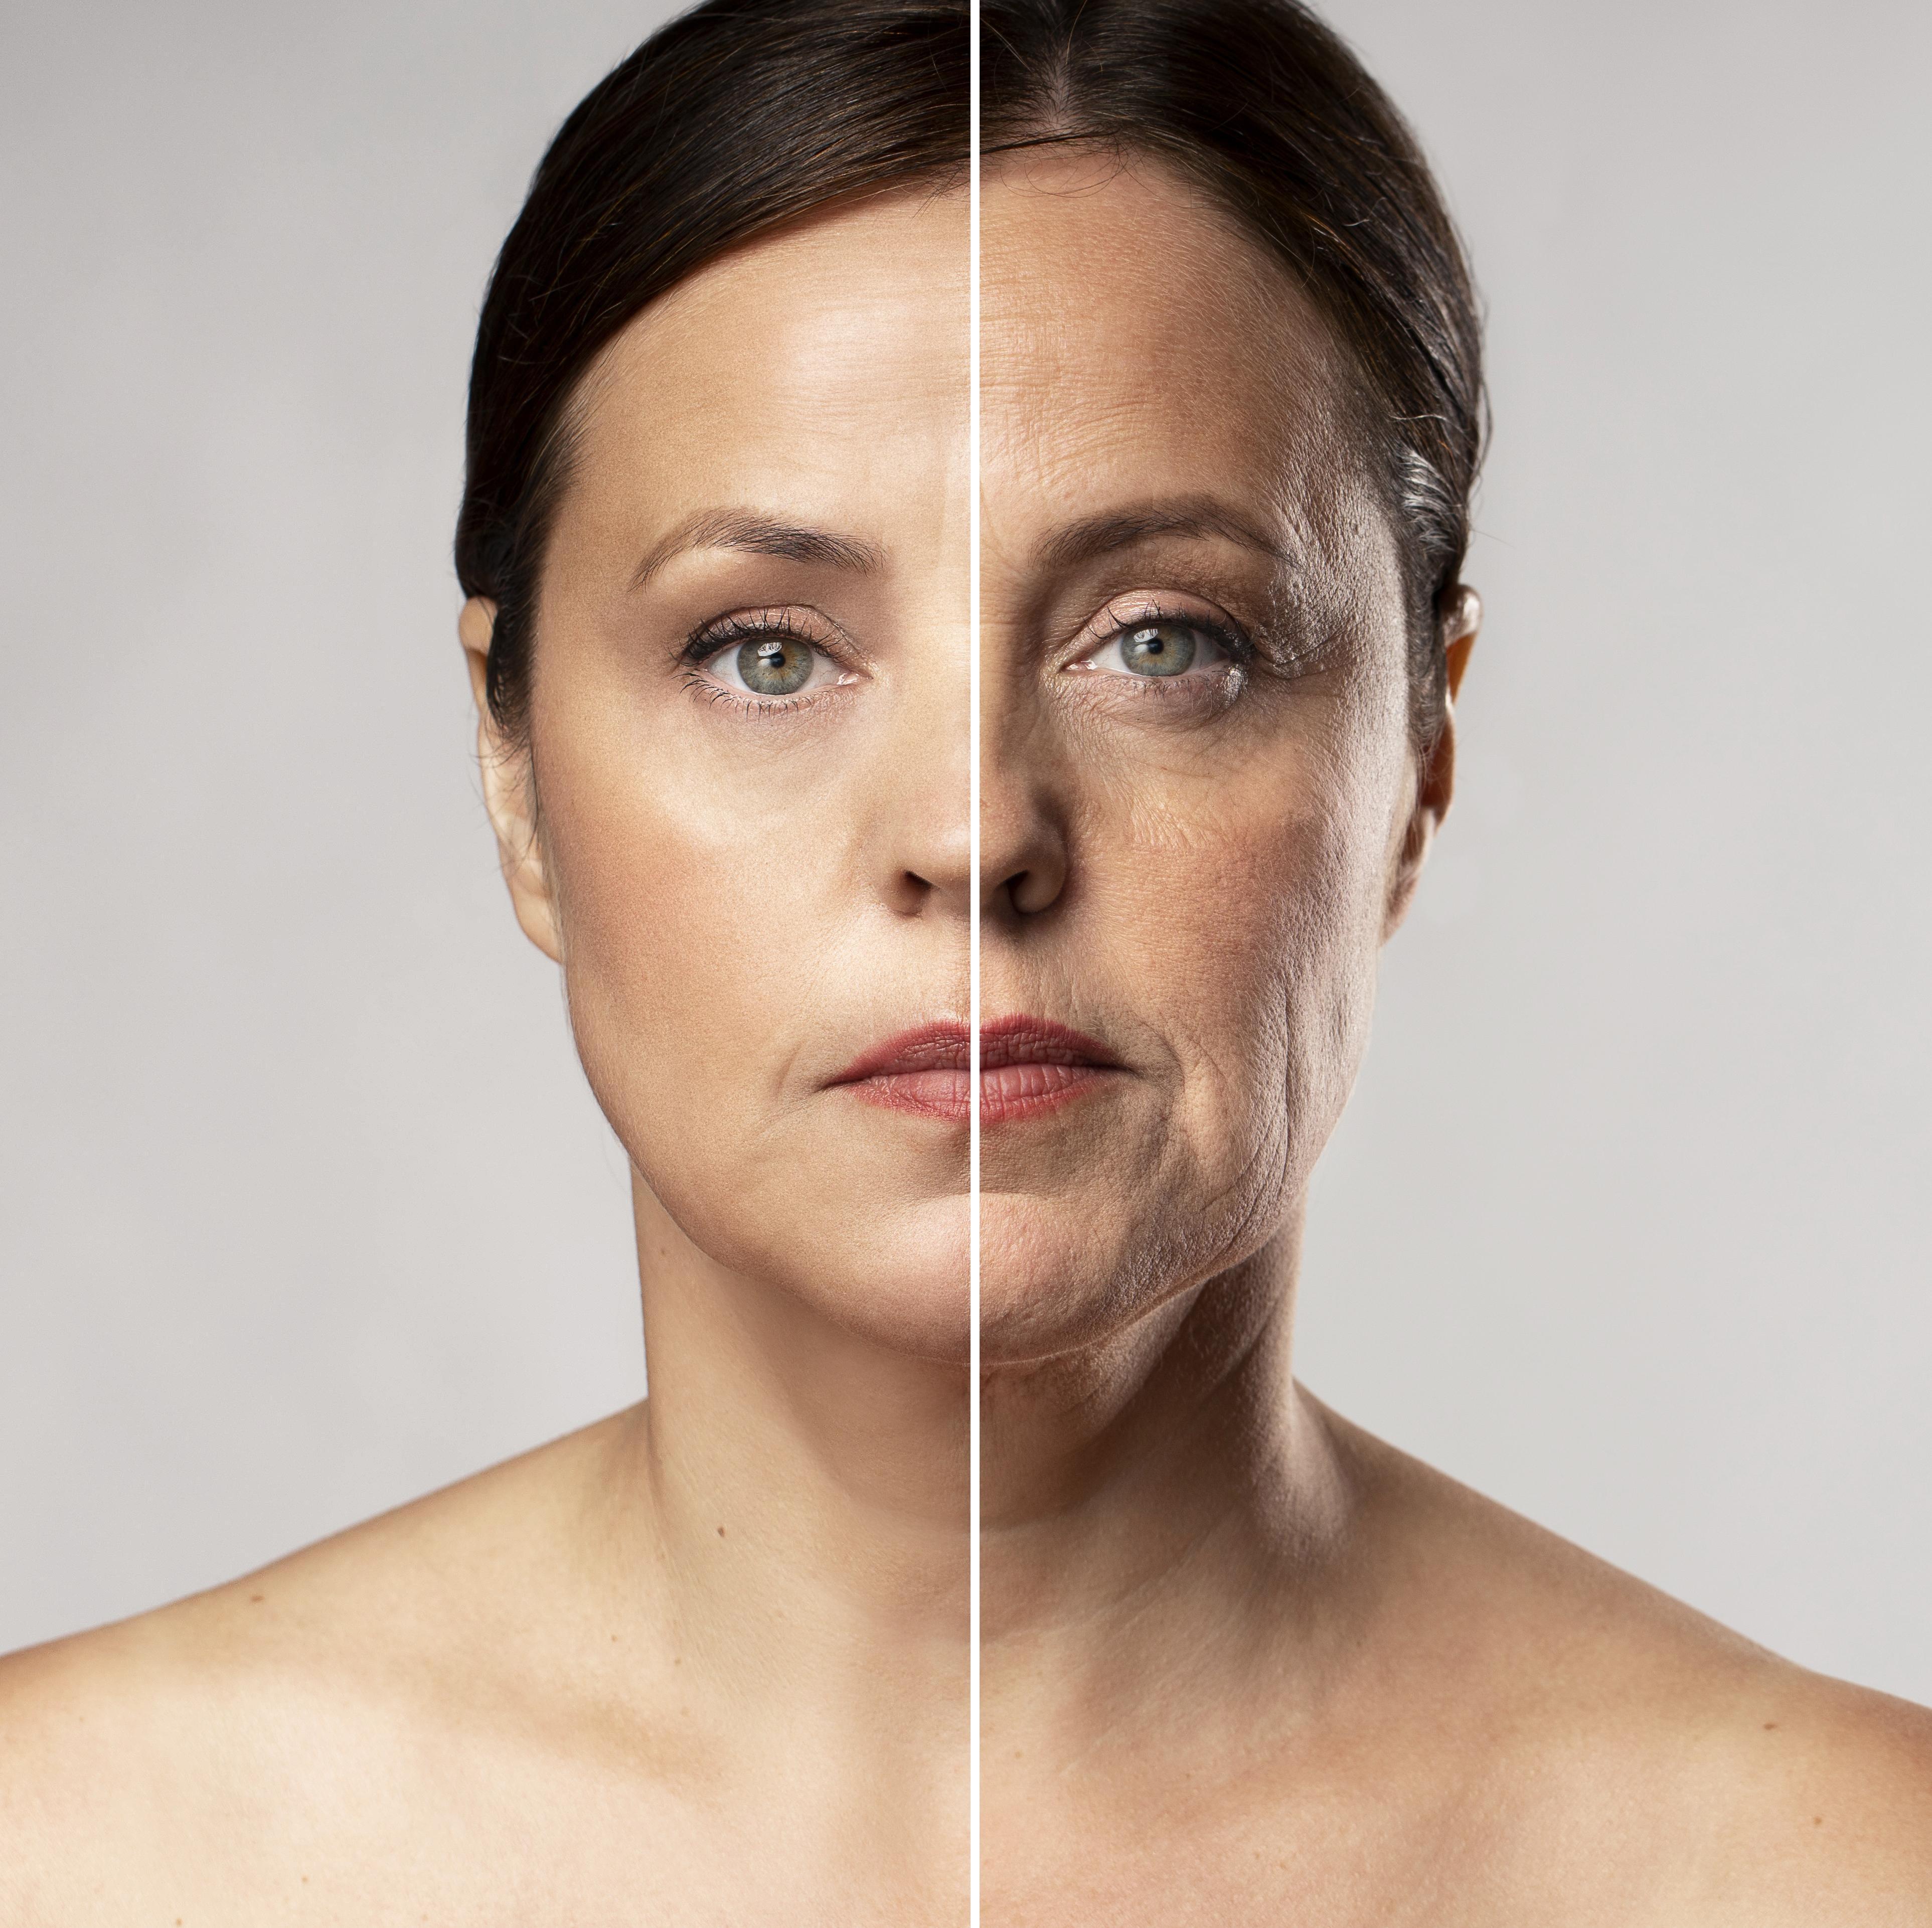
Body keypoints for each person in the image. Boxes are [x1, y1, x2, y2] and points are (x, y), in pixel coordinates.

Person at [3, 1, 1926, 1920]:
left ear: (1420, 751)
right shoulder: (75, 1847)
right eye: (767, 649)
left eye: (1165, 640)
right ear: (515, 775)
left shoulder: (1837, 1870)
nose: (974, 829)